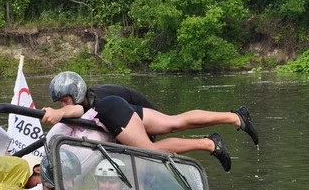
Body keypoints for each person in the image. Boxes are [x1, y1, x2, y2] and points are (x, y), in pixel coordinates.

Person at [41, 72, 259, 172]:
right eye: (60, 103)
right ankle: (235, 117)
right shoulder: (97, 92)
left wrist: (58, 114)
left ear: (76, 91)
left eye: (64, 100)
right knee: (176, 122)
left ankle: (209, 144)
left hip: (116, 113)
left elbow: (78, 109)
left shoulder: (91, 99)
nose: (63, 105)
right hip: (132, 110)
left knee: (152, 151)